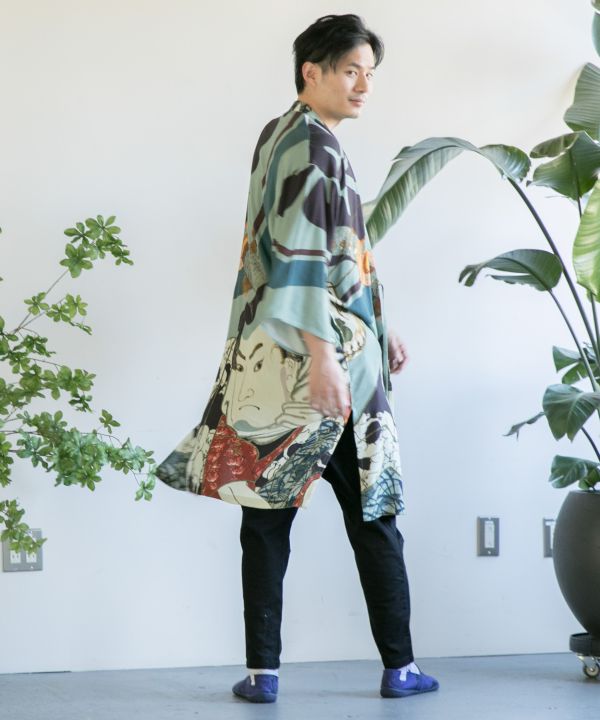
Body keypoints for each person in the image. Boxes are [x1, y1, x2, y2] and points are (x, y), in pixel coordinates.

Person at [156, 13, 439, 703]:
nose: (363, 84)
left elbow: (337, 251)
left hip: (271, 363)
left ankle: (264, 673)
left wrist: (383, 324)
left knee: (265, 519)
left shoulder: (282, 134)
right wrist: (325, 357)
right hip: (324, 364)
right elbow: (302, 257)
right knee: (373, 515)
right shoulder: (316, 149)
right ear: (311, 71)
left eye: (369, 72)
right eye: (350, 70)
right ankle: (399, 668)